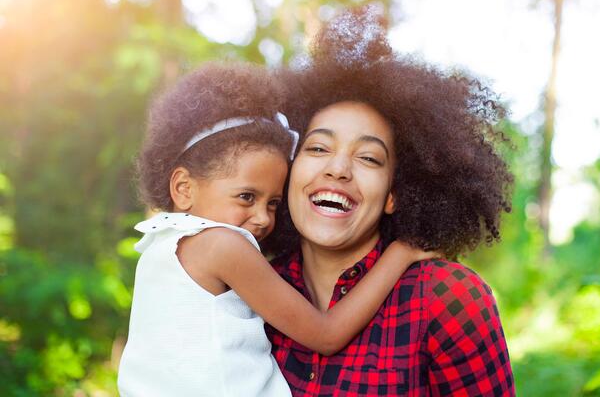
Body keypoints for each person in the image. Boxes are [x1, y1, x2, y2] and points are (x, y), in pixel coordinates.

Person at [117, 62, 437, 397]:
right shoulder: (222, 246)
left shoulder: (159, 245)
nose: (264, 218)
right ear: (184, 187)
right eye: (246, 197)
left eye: (273, 203)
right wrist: (401, 253)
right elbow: (326, 336)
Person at [266, 8, 516, 396]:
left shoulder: (448, 301)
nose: (338, 169)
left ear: (394, 196)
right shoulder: (248, 290)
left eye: (368, 157)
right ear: (288, 170)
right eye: (318, 147)